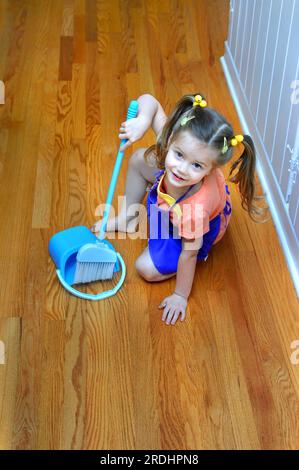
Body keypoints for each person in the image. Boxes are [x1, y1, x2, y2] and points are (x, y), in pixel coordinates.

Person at [91, 93, 269, 325]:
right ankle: (129, 217)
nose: (182, 169)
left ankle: (164, 248)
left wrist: (180, 295)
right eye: (179, 155)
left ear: (210, 169)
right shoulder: (180, 141)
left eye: (196, 165)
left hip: (196, 223)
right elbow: (150, 101)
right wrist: (142, 123)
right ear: (172, 138)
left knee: (145, 268)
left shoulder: (196, 211)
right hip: (179, 200)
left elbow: (189, 253)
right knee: (138, 159)